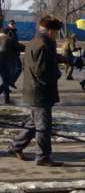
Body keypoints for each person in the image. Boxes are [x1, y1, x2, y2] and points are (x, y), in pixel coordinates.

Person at [8, 16, 64, 167]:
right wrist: (58, 74)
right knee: (43, 127)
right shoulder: (45, 44)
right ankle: (43, 157)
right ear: (51, 31)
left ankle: (15, 146)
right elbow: (41, 70)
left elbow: (44, 62)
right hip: (41, 92)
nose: (56, 35)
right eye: (56, 32)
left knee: (33, 123)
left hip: (33, 90)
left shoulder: (34, 42)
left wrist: (65, 59)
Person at [4, 20, 25, 88]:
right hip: (11, 55)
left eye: (13, 24)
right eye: (11, 24)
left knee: (17, 69)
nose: (13, 25)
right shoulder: (8, 32)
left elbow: (16, 43)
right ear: (8, 24)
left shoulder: (13, 32)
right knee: (13, 70)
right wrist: (24, 48)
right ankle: (7, 86)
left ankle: (10, 82)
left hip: (15, 53)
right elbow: (14, 44)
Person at [0, 32, 13, 104]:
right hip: (4, 63)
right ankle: (7, 99)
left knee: (5, 80)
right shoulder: (7, 39)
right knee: (6, 81)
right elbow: (17, 47)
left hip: (3, 63)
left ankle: (7, 99)